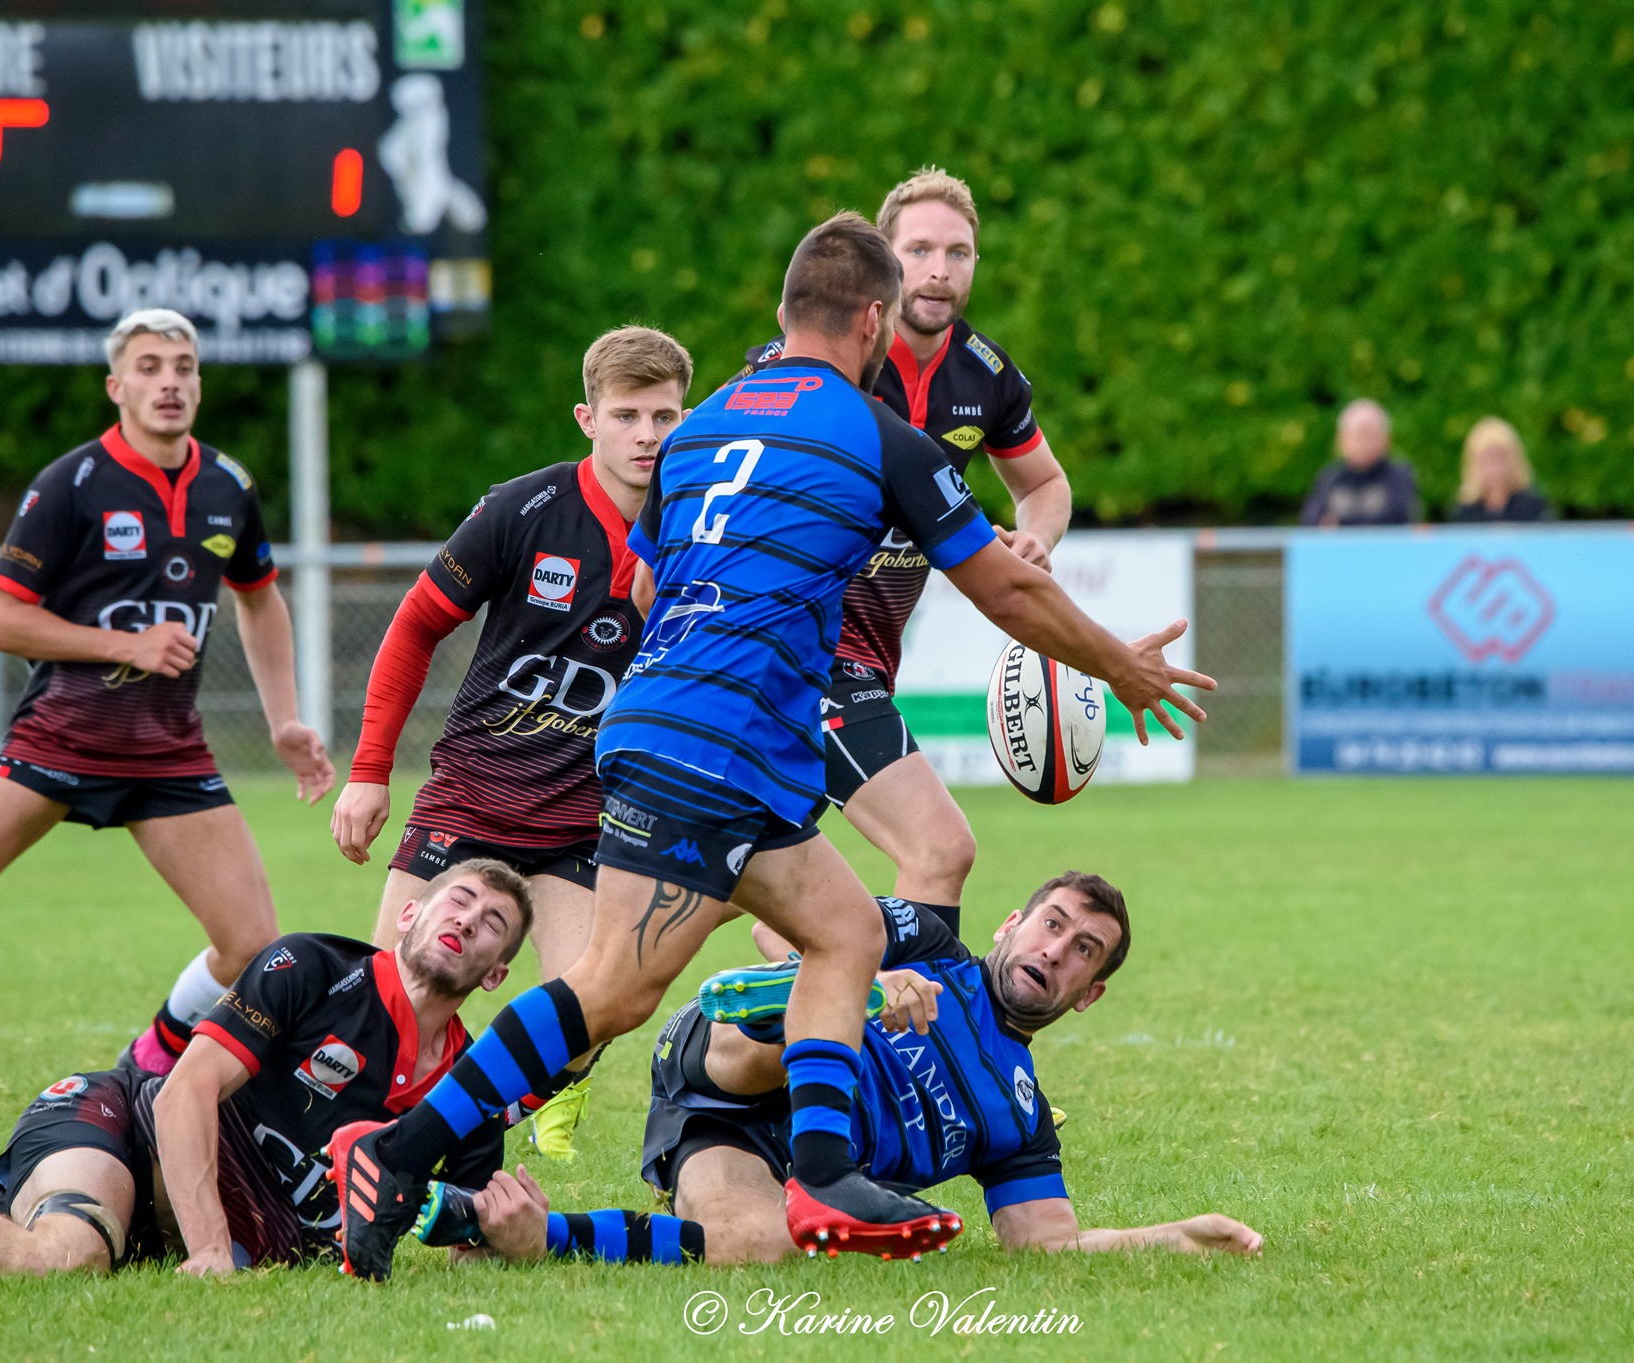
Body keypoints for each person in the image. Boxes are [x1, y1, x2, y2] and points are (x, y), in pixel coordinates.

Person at [326, 211, 1215, 1280]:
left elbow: (647, 582)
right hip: (721, 743)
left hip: (685, 727)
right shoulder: (880, 436)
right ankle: (398, 1151)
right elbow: (1009, 586)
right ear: (874, 320)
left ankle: (830, 1165)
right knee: (611, 988)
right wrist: (1118, 665)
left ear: (783, 315)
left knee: (844, 929)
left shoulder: (698, 428)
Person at [0, 310, 336, 1077]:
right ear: (116, 387)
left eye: (182, 365)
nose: (168, 380)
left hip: (168, 754)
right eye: (148, 367)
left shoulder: (227, 485)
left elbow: (259, 597)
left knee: (252, 946)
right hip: (59, 741)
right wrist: (124, 644)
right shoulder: (71, 484)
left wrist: (285, 721)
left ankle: (145, 1064)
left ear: (200, 384)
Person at [0, 862, 704, 1275]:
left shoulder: (472, 1085)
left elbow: (454, 1235)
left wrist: (513, 1240)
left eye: (490, 927)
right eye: (457, 901)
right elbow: (185, 1089)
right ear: (410, 914)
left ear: (495, 974)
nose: (469, 920)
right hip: (130, 1129)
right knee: (65, 1256)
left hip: (162, 1227)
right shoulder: (311, 967)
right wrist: (214, 1250)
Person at [317, 327, 693, 1156]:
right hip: (471, 797)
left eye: (664, 416)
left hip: (586, 821)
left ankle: (479, 1124)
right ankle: (339, 1148)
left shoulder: (703, 526)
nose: (647, 436)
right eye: (626, 414)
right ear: (585, 419)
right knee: (386, 1010)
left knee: (595, 1010)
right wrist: (369, 772)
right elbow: (415, 627)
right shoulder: (522, 509)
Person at [733, 167, 1072, 936]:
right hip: (804, 662)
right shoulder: (802, 366)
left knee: (737, 891)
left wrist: (1035, 536)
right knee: (939, 849)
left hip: (865, 666)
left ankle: (742, 1029)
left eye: (958, 252)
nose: (939, 270)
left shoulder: (987, 376)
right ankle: (920, 1051)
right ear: (884, 262)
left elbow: (1046, 485)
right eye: (919, 249)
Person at [646, 873, 1264, 1263]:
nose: (1054, 951)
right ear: (1009, 927)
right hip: (725, 1056)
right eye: (1052, 923)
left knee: (759, 1249)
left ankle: (557, 1236)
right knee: (816, 993)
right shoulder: (929, 943)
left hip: (737, 1139)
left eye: (1083, 951)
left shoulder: (1023, 1121)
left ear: (1087, 995)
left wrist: (1174, 1236)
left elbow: (1047, 1244)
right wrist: (867, 978)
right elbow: (773, 926)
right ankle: (807, 998)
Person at [1300, 399, 1420, 528]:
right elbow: (1312, 523)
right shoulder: (1329, 479)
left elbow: (1402, 519)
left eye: (1370, 434)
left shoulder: (1399, 477)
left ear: (1386, 439)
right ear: (1342, 439)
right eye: (1358, 435)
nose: (1364, 443)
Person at [1451, 417, 1550, 523]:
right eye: (1487, 459)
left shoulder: (1535, 507)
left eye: (1499, 457)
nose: (1494, 467)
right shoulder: (1464, 512)